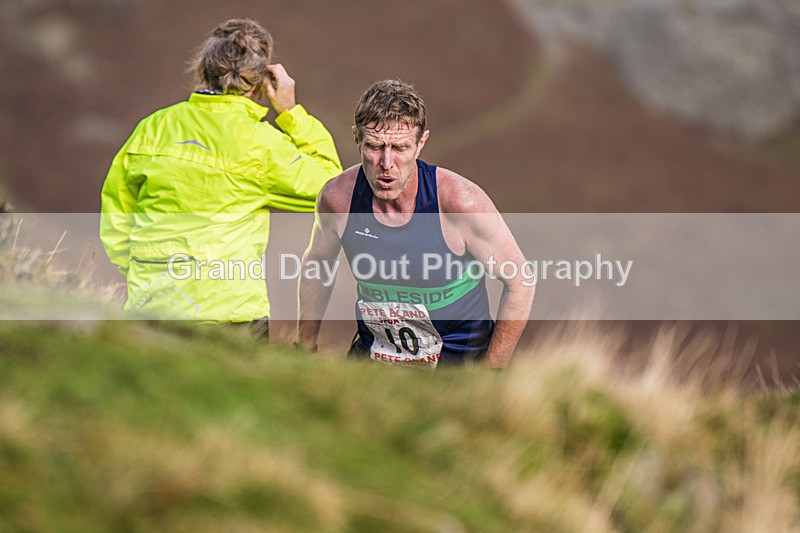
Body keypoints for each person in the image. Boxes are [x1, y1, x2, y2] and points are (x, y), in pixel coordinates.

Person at [99, 18, 342, 336]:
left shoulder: (152, 127)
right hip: (231, 312)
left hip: (151, 305)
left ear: (203, 68)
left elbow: (116, 216)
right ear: (261, 81)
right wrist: (291, 113)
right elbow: (333, 187)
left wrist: (141, 271)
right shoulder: (261, 143)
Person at [295, 80, 534, 368]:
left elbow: (521, 282)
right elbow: (318, 264)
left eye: (400, 148)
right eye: (374, 146)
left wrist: (491, 371)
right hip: (373, 362)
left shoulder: (460, 203)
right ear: (357, 138)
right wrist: (304, 346)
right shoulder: (338, 199)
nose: (387, 163)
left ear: (421, 143)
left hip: (457, 367)